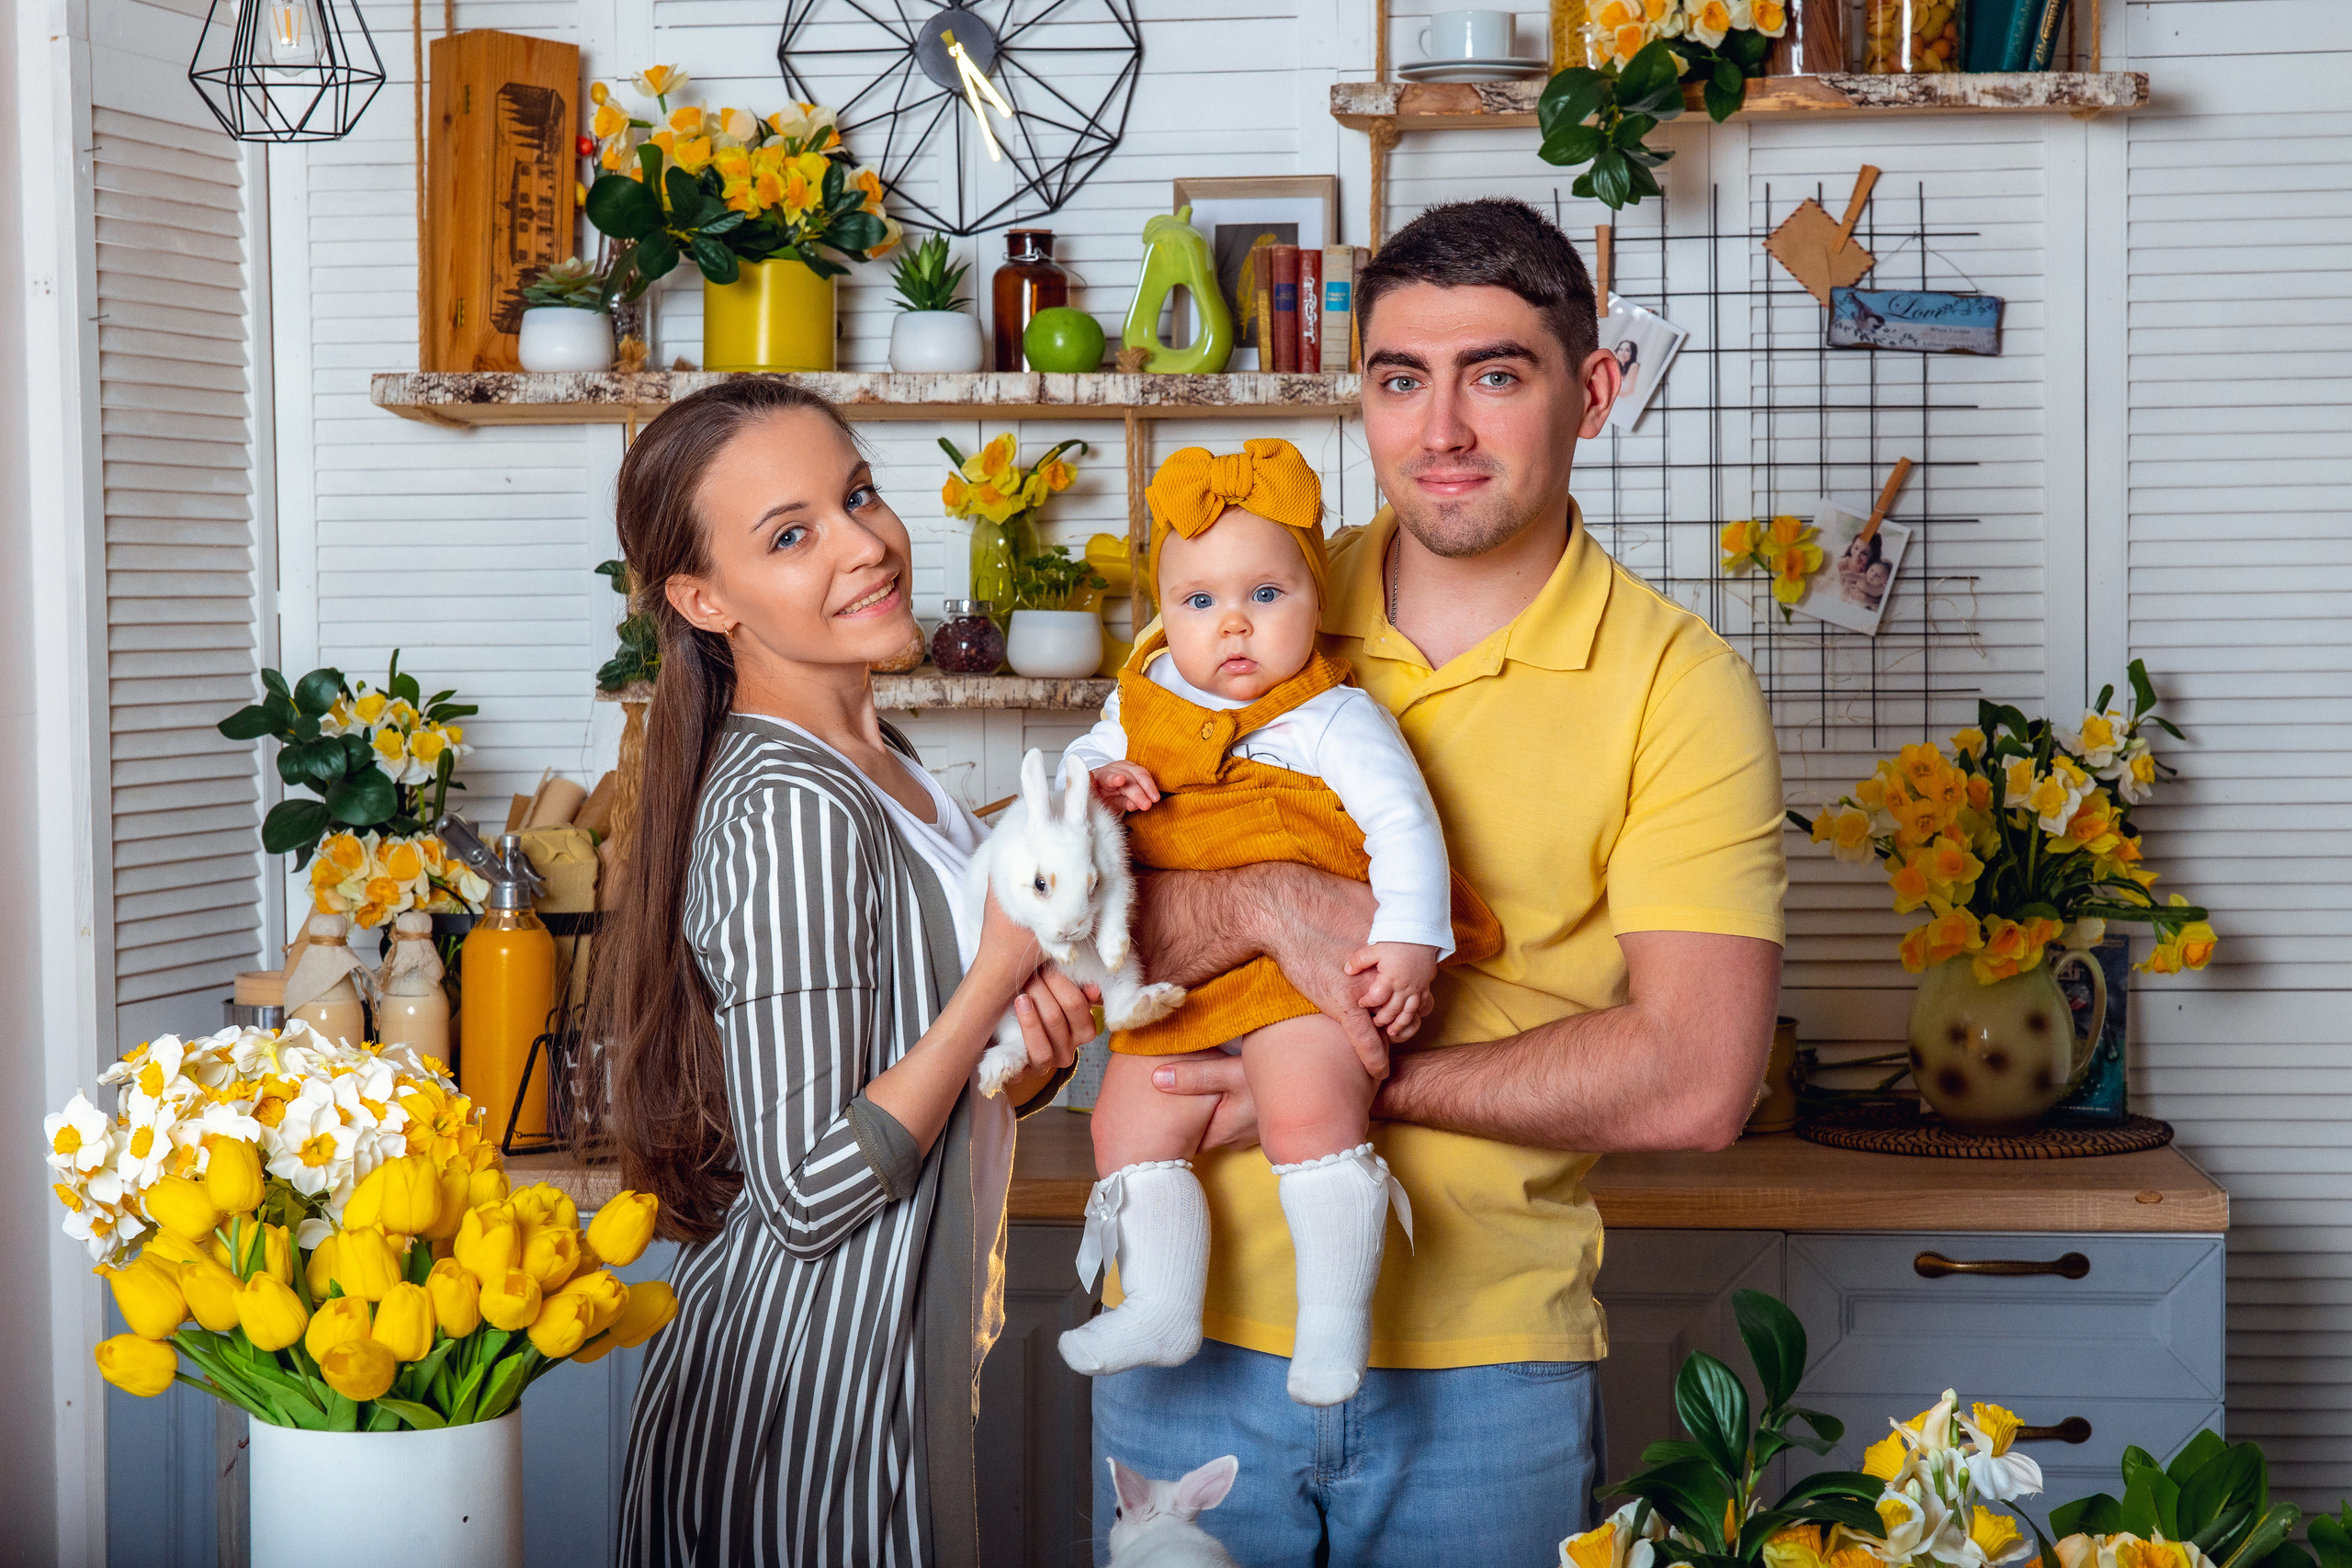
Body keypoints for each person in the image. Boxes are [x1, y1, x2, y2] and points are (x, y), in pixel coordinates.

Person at [1090, 197, 1788, 1566]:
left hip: (1491, 1368)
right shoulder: (1246, 597)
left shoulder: (1679, 685)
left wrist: (1312, 1081)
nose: (1442, 430)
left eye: (1497, 375)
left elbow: (1699, 1079)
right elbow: (1082, 910)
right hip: (1186, 1336)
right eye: (1402, 380)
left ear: (1592, 390)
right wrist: (1273, 903)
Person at [586, 378, 1099, 1567]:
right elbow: (812, 1185)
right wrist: (997, 977)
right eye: (792, 532)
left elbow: (932, 1078)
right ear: (703, 598)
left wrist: (1026, 1054)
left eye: (857, 493)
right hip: (799, 1412)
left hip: (884, 1374)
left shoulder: (892, 765)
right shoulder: (788, 802)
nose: (867, 542)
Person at [1054, 437, 1498, 1408]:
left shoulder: (1336, 716)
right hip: (1191, 975)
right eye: (1199, 604)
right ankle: (1163, 1305)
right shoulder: (1141, 702)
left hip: (1305, 975)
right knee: (1126, 1121)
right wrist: (1093, 784)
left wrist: (1409, 944)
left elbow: (1405, 827)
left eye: (1266, 596)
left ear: (1315, 600)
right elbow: (1066, 787)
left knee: (1309, 1112)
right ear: (1163, 616)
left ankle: (1334, 1321)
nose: (1233, 629)